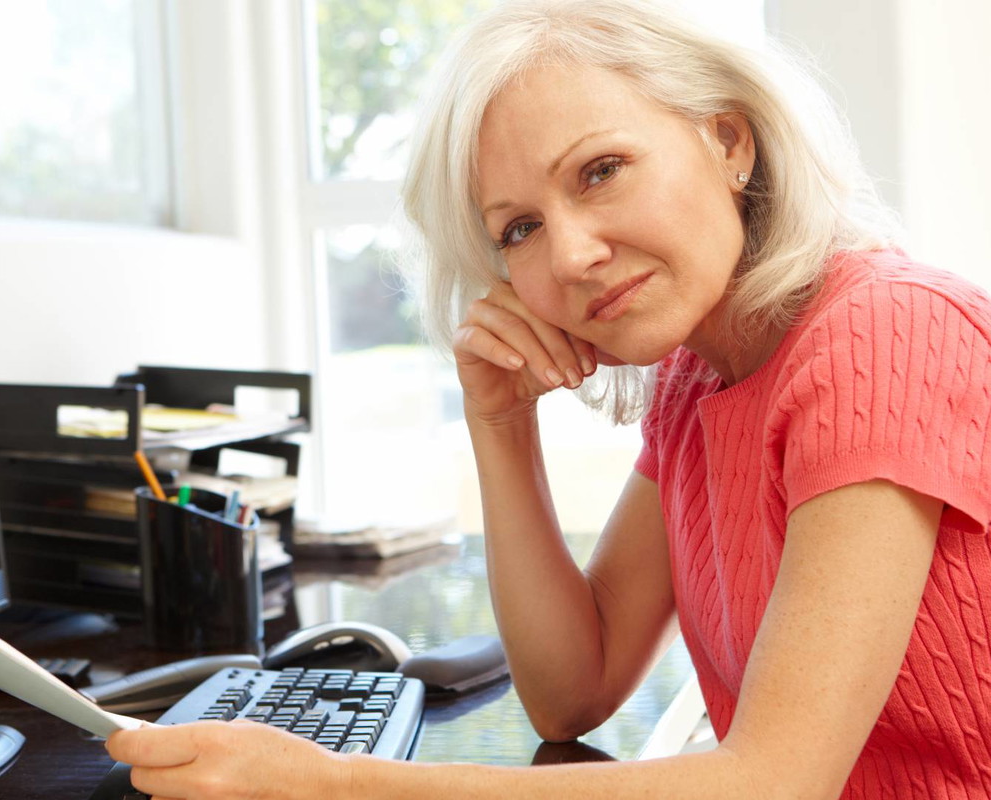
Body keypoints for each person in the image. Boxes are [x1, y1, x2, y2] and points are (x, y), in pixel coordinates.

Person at [106, 0, 991, 797]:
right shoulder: (698, 380)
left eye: (600, 170)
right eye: (518, 229)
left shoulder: (885, 334)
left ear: (729, 141)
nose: (568, 256)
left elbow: (772, 783)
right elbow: (574, 690)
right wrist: (497, 419)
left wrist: (336, 786)